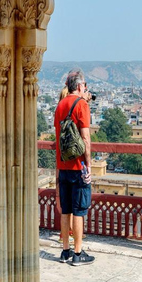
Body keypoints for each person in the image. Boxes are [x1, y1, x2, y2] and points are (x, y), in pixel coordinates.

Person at [53, 69, 95, 266]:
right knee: (79, 210)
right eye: (84, 85)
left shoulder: (60, 105)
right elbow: (85, 137)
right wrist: (88, 164)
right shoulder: (82, 105)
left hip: (63, 164)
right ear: (80, 86)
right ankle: (78, 253)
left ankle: (65, 251)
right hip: (78, 166)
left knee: (66, 210)